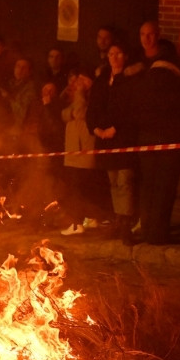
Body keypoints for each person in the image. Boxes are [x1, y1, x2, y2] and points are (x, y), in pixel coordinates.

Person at [133, 39, 180, 245]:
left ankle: (146, 229)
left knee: (148, 186)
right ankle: (158, 233)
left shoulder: (147, 78)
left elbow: (138, 110)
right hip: (170, 142)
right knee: (164, 188)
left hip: (146, 140)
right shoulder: (177, 80)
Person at [87, 42, 139, 241]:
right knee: (113, 181)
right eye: (111, 54)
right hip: (104, 138)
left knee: (124, 180)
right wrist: (96, 128)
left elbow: (130, 108)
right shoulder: (101, 80)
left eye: (118, 53)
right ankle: (118, 218)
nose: (114, 57)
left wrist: (115, 128)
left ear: (125, 56)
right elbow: (93, 107)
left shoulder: (130, 80)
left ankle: (126, 220)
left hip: (123, 137)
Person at [59, 67, 108, 235]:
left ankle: (77, 223)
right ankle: (89, 218)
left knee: (80, 189)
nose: (78, 83)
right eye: (77, 80)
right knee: (79, 188)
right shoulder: (77, 97)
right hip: (74, 150)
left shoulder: (92, 96)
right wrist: (72, 109)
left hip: (83, 150)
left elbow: (79, 113)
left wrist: (79, 94)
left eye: (83, 79)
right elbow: (63, 114)